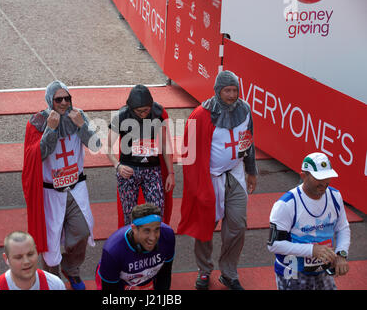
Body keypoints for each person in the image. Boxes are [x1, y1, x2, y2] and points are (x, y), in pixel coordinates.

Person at [177, 70, 258, 290]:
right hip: (209, 179)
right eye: (227, 90)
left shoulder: (245, 110)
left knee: (238, 226)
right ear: (217, 91)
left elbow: (247, 142)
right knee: (205, 228)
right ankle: (204, 271)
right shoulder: (200, 115)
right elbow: (189, 154)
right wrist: (195, 187)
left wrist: (252, 171)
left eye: (235, 90)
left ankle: (229, 273)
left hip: (236, 175)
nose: (232, 95)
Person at [22, 80, 101, 290]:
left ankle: (71, 268)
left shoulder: (79, 115)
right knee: (50, 240)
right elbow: (36, 155)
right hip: (50, 192)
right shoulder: (38, 122)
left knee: (83, 231)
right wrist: (51, 129)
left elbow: (96, 145)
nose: (64, 103)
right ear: (50, 100)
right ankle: (52, 281)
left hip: (76, 188)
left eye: (67, 98)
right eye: (59, 99)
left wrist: (81, 126)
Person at [268, 152, 350, 290]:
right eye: (319, 178)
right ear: (303, 176)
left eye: (327, 176)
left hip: (323, 270)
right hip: (292, 271)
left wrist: (341, 254)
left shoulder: (335, 196)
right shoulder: (286, 204)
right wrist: (311, 250)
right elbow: (274, 245)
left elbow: (343, 228)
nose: (324, 182)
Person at [106, 84, 175, 226]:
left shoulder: (157, 113)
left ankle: (154, 246)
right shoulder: (121, 116)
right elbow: (107, 147)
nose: (143, 114)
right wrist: (117, 165)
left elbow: (165, 145)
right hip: (128, 170)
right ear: (131, 108)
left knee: (157, 212)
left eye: (146, 110)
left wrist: (171, 173)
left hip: (152, 170)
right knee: (129, 216)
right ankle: (131, 246)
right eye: (139, 111)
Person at [95, 203, 175, 290]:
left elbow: (164, 275)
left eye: (157, 229)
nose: (153, 238)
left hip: (142, 280)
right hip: (118, 282)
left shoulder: (167, 235)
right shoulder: (113, 250)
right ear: (134, 229)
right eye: (146, 231)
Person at [0, 231, 66, 290]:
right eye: (18, 257)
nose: (26, 261)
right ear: (6, 258)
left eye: (30, 254)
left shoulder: (55, 285)